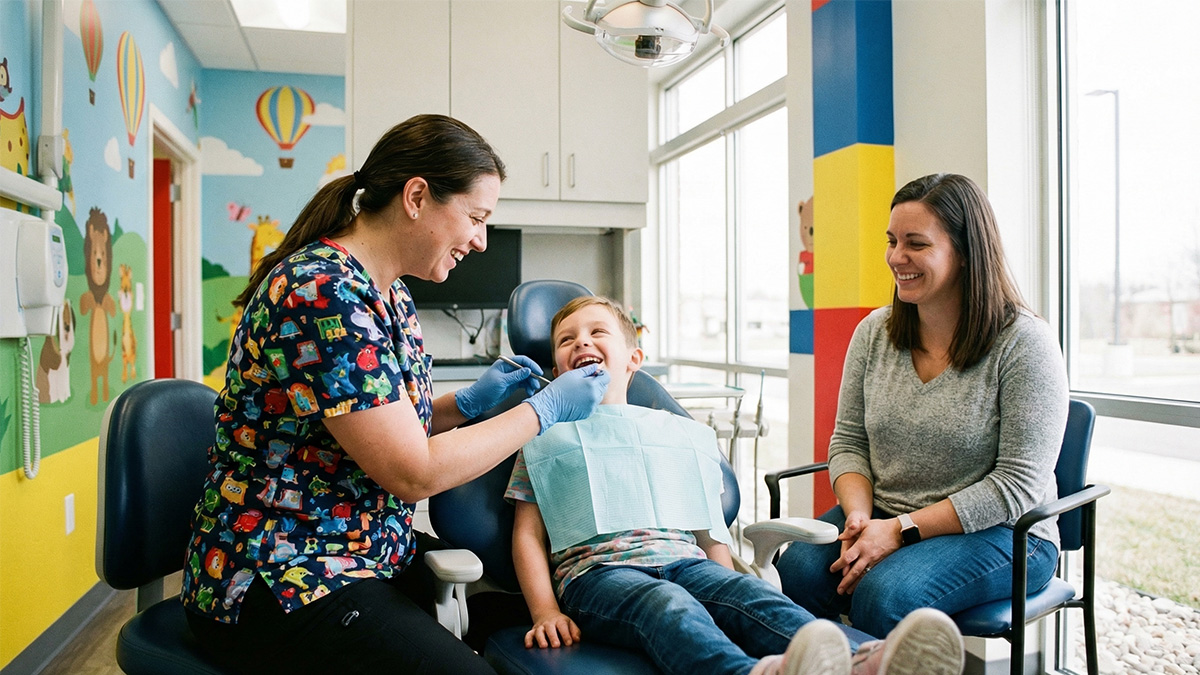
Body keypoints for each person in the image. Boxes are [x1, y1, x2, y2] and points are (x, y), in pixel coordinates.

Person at [180, 114, 612, 674]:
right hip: (281, 572)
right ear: (416, 197)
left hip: (363, 551)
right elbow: (412, 472)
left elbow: (377, 423)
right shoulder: (321, 293)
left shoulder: (391, 293)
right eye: (476, 218)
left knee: (512, 617)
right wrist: (544, 410)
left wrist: (466, 406)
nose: (481, 241)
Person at [505, 296, 966, 675]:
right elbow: (528, 534)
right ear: (557, 368)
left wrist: (724, 582)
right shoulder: (543, 435)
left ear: (635, 360)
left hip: (684, 562)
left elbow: (708, 528)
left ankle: (863, 660)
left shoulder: (673, 434)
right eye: (567, 340)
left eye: (597, 332)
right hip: (600, 576)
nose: (581, 342)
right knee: (668, 605)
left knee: (753, 596)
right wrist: (545, 610)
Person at [775, 173, 1070, 639]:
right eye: (892, 241)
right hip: (885, 514)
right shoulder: (874, 333)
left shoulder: (1025, 343)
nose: (896, 257)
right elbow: (850, 441)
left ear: (967, 252)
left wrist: (899, 531)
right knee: (793, 574)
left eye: (916, 243)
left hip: (1005, 533)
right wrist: (859, 515)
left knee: (885, 595)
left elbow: (1017, 485)